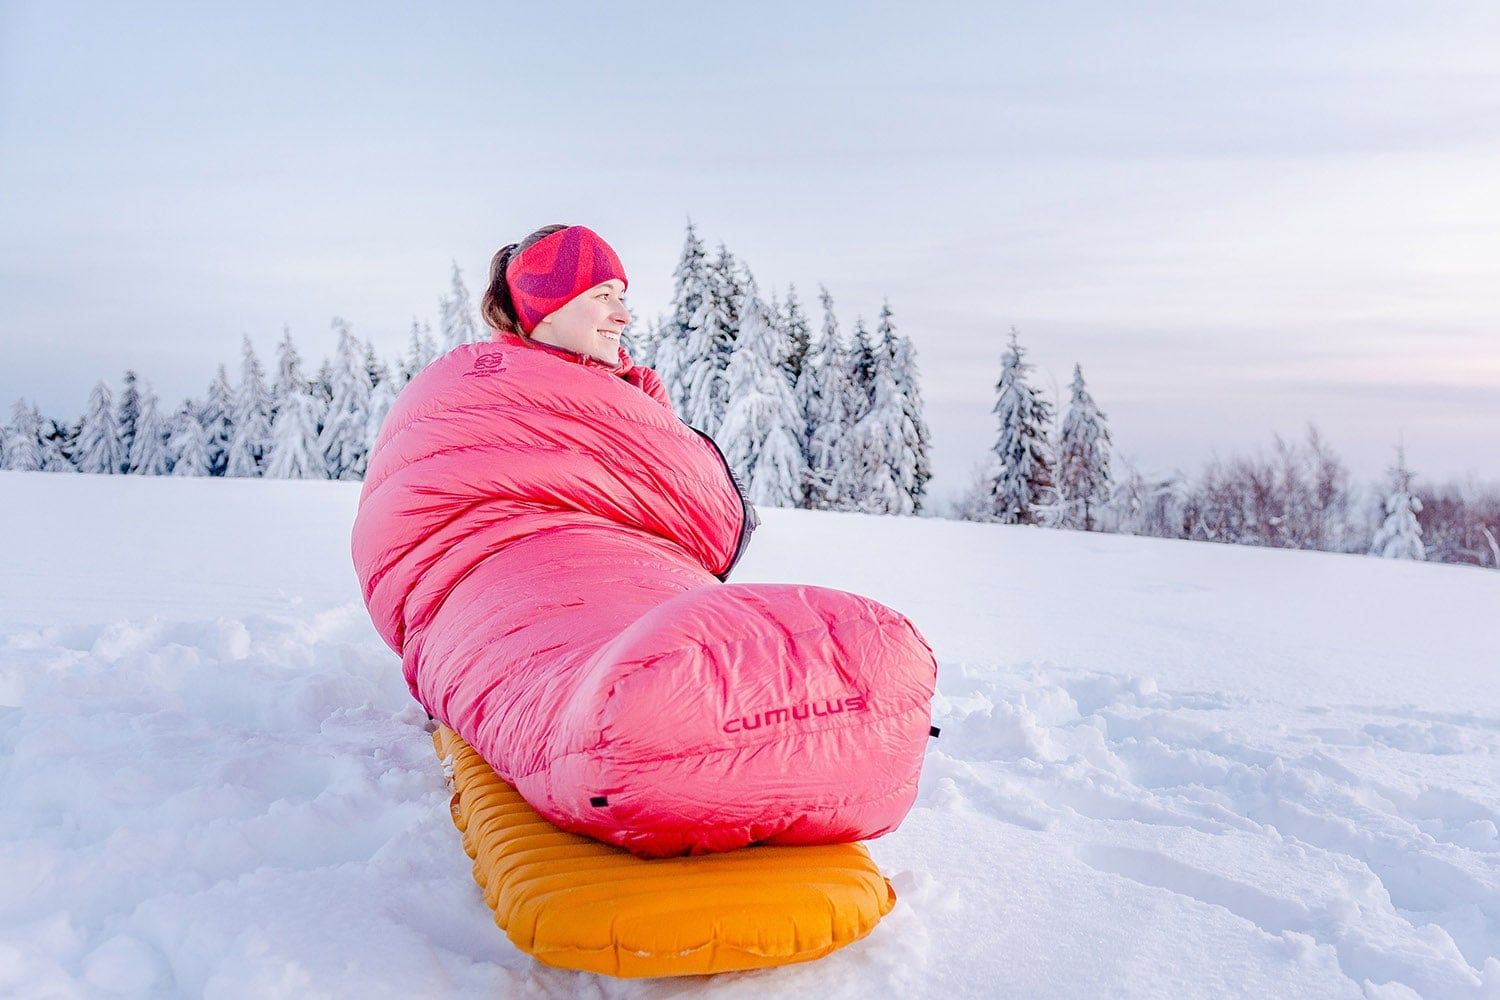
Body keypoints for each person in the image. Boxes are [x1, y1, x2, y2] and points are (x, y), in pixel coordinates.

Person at [478, 223, 670, 408]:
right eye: (604, 295)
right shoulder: (492, 398)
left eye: (620, 298)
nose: (624, 316)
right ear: (547, 302)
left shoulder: (644, 391)